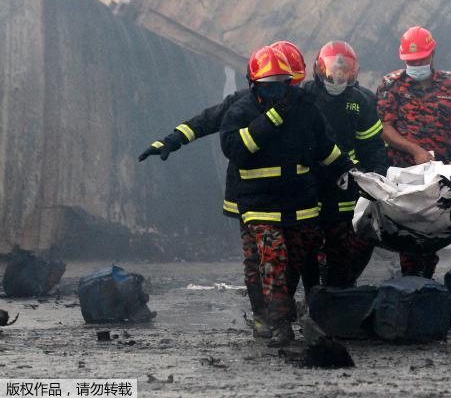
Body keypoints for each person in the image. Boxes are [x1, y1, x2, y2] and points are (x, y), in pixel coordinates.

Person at [137, 40, 306, 339]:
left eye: (290, 84)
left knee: (286, 256)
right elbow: (203, 122)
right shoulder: (240, 105)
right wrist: (171, 141)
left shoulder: (305, 105)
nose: (286, 92)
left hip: (291, 197)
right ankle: (263, 316)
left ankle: (280, 311)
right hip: (250, 197)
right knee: (258, 258)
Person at [220, 45, 353, 346]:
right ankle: (277, 322)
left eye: (281, 85)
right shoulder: (240, 111)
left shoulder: (305, 108)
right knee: (272, 258)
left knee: (293, 262)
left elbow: (325, 147)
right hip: (260, 204)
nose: (275, 92)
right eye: (268, 87)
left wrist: (350, 172)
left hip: (300, 204)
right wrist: (273, 118)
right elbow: (237, 150)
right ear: (254, 85)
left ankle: (274, 313)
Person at [376, 25, 451, 278]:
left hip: (440, 173)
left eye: (421, 59)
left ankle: (422, 280)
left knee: (433, 229)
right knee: (411, 230)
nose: (416, 64)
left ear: (432, 55)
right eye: (411, 61)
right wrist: (414, 151)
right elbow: (384, 127)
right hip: (405, 172)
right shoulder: (391, 84)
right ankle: (413, 282)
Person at [303, 40, 387, 286]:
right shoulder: (305, 96)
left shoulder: (362, 102)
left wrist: (377, 180)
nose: (336, 76)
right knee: (307, 243)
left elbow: (374, 147)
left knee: (349, 243)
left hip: (348, 187)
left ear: (353, 72)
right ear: (319, 69)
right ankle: (313, 292)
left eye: (344, 71)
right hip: (311, 184)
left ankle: (341, 291)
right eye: (332, 70)